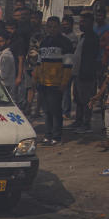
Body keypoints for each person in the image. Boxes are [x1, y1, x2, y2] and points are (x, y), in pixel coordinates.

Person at [34, 16, 75, 145]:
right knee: (46, 111)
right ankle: (47, 135)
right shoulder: (44, 42)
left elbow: (68, 66)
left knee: (56, 111)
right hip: (43, 82)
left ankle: (56, 136)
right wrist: (36, 79)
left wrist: (64, 83)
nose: (52, 29)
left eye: (54, 27)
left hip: (56, 83)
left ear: (59, 27)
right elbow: (39, 63)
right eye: (49, 27)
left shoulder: (65, 42)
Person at [69, 12, 102, 133]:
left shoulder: (92, 38)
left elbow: (90, 58)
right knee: (78, 99)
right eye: (81, 21)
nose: (81, 24)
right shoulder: (83, 37)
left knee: (87, 100)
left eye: (84, 22)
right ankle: (78, 121)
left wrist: (85, 72)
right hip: (78, 73)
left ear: (91, 23)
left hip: (87, 74)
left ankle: (86, 123)